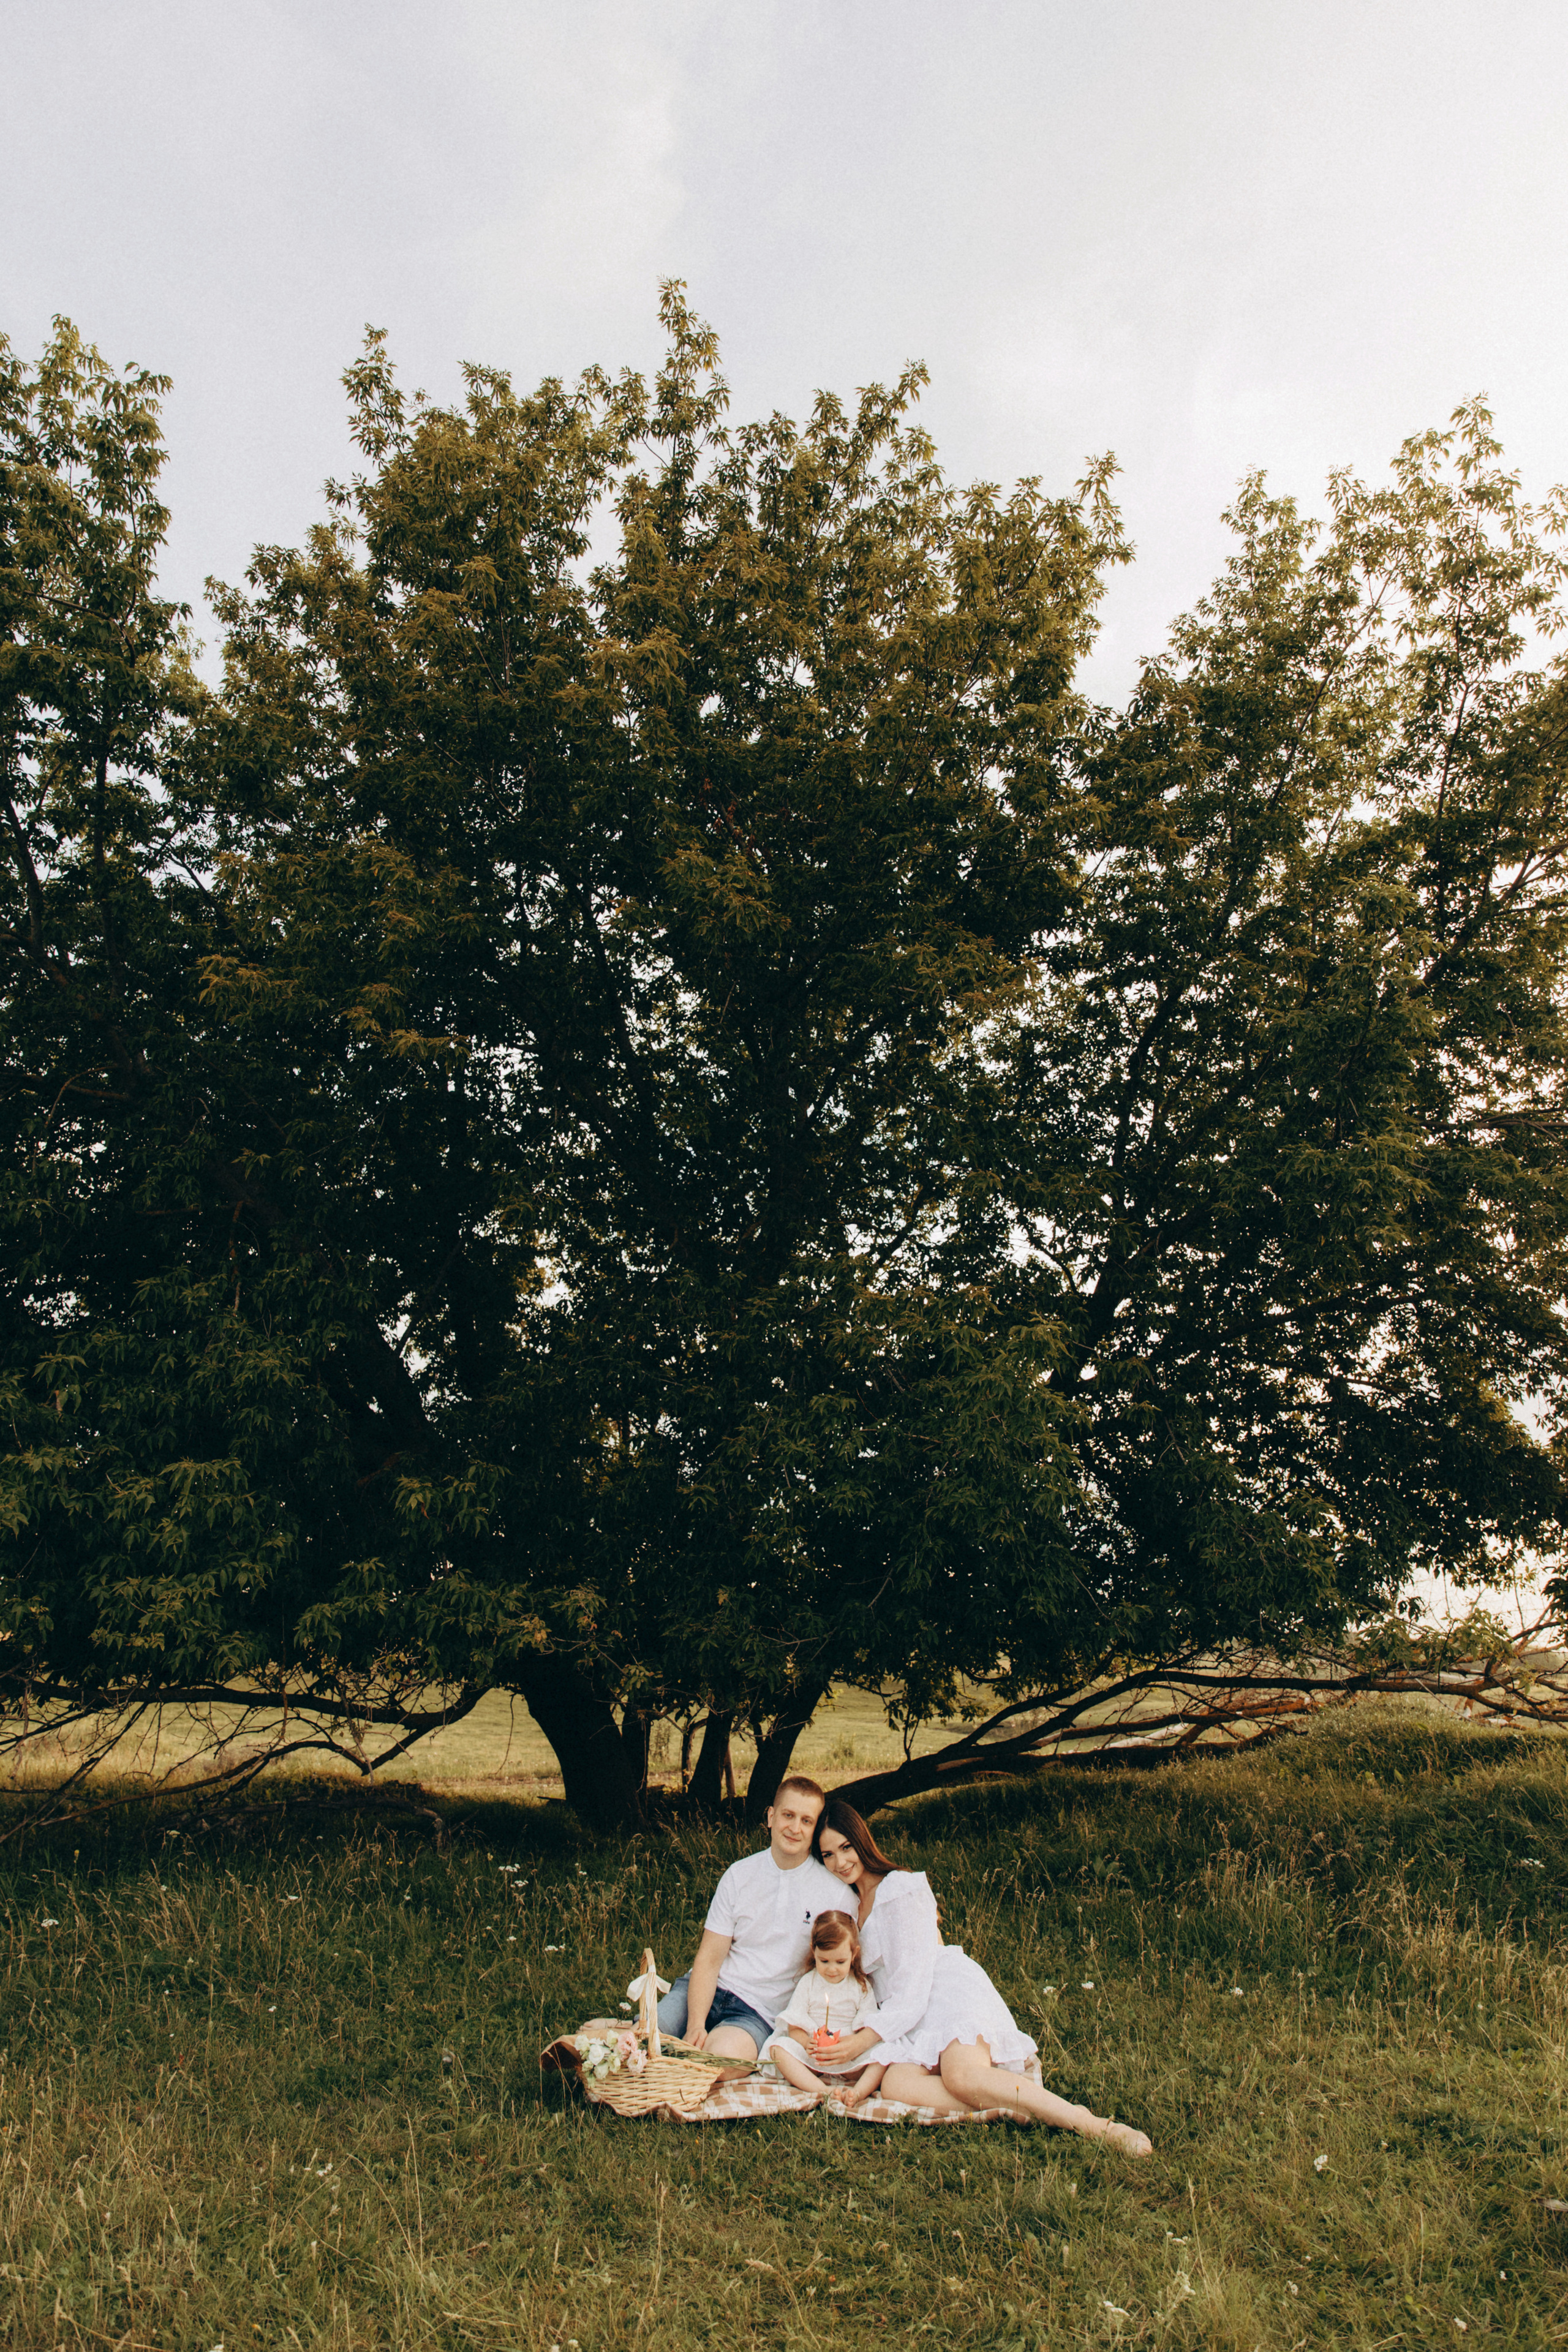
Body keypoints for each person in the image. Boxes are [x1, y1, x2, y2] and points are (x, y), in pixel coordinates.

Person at [812, 1798, 1153, 2154]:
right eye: (828, 1855)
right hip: (904, 2017)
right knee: (897, 2084)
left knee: (962, 2077)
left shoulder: (900, 1887)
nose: (840, 1862)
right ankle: (1017, 2107)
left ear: (861, 1840)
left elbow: (914, 1983)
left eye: (846, 1847)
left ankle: (1091, 2124)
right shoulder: (849, 1907)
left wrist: (864, 2040)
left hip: (943, 1992)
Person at [657, 1775, 844, 2060]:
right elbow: (709, 1958)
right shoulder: (739, 1875)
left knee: (716, 2061)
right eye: (788, 1815)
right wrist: (695, 2023)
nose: (795, 1828)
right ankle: (584, 2045)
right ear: (771, 1816)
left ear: (816, 1828)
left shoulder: (834, 1893)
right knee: (643, 2039)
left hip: (758, 2012)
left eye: (807, 1821)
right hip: (706, 1989)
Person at [761, 1909, 887, 2100]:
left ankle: (858, 2092)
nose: (832, 1969)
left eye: (840, 1961)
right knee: (779, 2049)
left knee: (884, 2054)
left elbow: (867, 2027)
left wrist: (854, 2047)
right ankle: (822, 2090)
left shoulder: (861, 1987)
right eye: (824, 1961)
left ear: (854, 1954)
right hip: (814, 2058)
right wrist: (806, 2044)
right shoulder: (808, 1983)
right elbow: (794, 2027)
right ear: (814, 1951)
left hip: (848, 2057)